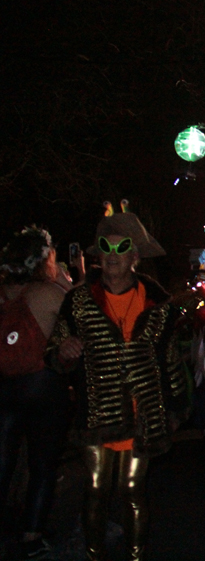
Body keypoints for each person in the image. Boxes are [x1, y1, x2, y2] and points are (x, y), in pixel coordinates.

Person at [47, 211, 191, 561]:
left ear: (134, 255)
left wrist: (176, 408)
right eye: (106, 247)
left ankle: (135, 556)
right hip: (98, 412)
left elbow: (170, 360)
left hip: (144, 414)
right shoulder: (78, 302)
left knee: (132, 489)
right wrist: (64, 352)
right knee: (96, 488)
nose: (112, 255)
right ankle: (94, 554)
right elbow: (54, 351)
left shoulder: (157, 304)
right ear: (98, 254)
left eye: (121, 247)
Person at [0, 227, 74, 560]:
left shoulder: (4, 293)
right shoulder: (48, 292)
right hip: (43, 387)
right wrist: (67, 282)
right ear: (44, 259)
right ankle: (32, 535)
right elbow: (80, 317)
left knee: (3, 460)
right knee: (42, 463)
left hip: (4, 386)